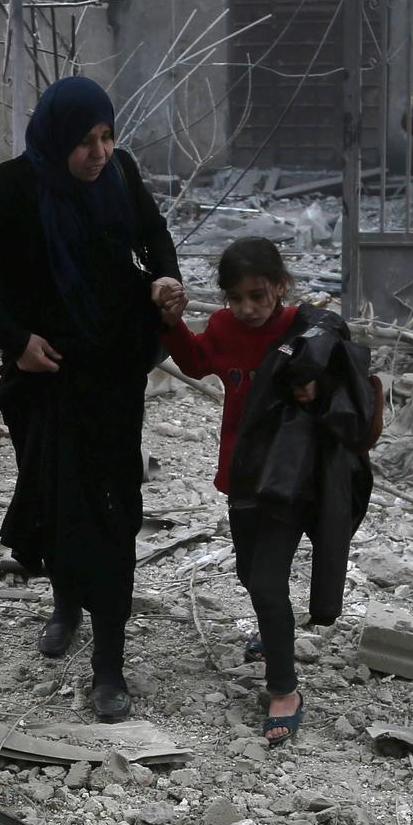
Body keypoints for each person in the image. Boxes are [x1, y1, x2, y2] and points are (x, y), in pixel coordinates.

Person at [0, 76, 182, 723]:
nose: (99, 152)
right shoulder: (12, 189)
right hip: (45, 380)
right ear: (55, 139)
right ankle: (65, 604)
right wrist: (12, 339)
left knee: (110, 508)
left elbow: (153, 233)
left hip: (113, 373)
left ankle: (109, 665)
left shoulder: (120, 174)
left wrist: (164, 278)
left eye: (106, 136)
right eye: (85, 142)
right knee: (52, 500)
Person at [156, 238, 377, 749]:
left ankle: (284, 689)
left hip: (294, 477)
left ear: (281, 286)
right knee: (249, 572)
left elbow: (350, 379)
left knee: (265, 578)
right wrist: (171, 324)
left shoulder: (310, 329)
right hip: (244, 472)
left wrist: (316, 384)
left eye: (258, 295)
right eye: (235, 298)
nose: (247, 308)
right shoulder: (224, 328)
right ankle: (275, 635)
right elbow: (196, 362)